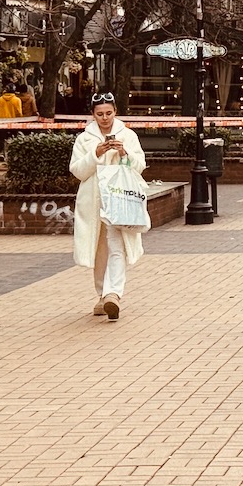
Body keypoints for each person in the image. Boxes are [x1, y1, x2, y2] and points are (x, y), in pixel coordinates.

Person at [69, 92, 148, 320]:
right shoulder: (84, 140)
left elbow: (140, 165)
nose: (105, 118)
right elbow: (78, 171)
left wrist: (124, 152)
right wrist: (96, 154)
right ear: (92, 115)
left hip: (119, 200)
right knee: (98, 250)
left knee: (117, 246)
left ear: (115, 111)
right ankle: (102, 295)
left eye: (109, 113)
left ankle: (114, 294)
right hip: (93, 202)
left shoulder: (129, 135)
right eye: (100, 114)